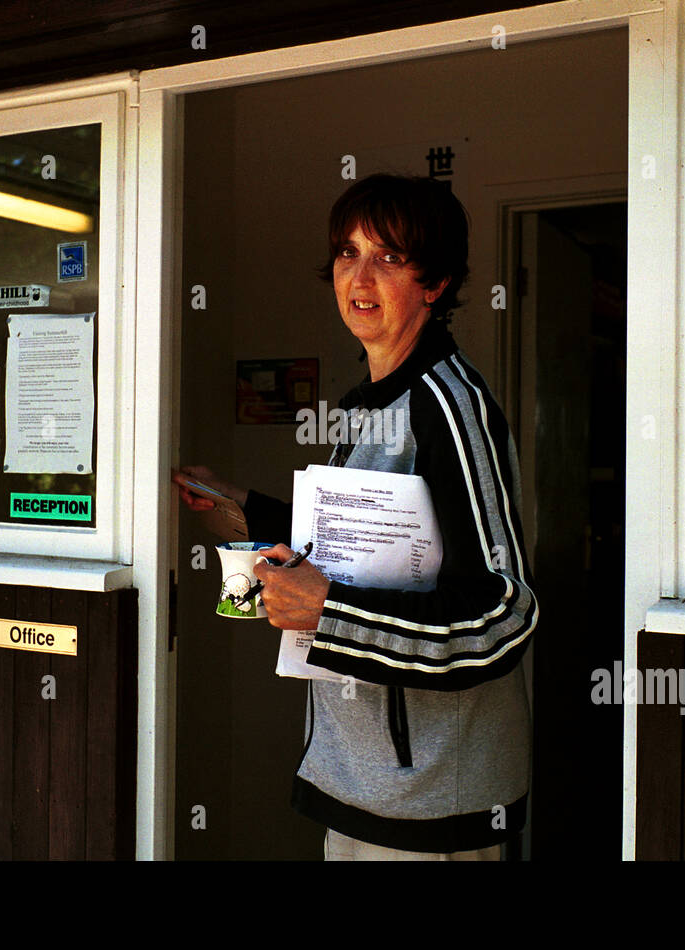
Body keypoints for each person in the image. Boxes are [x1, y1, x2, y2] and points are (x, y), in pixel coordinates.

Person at [173, 174, 537, 860]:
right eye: (347, 253)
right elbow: (361, 544)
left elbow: (503, 614)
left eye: (389, 257)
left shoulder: (450, 408)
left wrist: (328, 610)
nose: (359, 276)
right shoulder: (367, 402)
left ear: (436, 284)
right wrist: (243, 507)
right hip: (364, 784)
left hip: (431, 801)